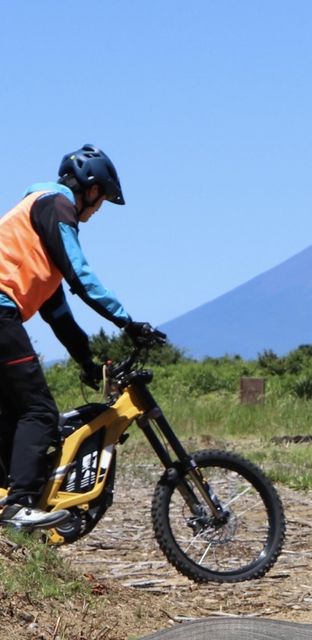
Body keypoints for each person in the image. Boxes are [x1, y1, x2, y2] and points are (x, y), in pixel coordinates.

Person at [0, 144, 152, 529]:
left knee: (14, 415)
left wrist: (86, 361)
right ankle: (19, 507)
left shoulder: (36, 231)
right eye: (100, 200)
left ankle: (9, 494)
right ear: (90, 188)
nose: (97, 211)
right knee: (39, 413)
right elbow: (80, 276)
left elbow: (59, 315)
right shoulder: (55, 206)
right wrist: (128, 322)